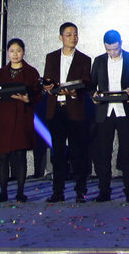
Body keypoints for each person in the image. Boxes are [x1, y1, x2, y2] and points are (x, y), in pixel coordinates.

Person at [41, 22, 93, 203]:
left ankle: (80, 191)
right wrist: (47, 87)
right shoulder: (51, 57)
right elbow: (47, 79)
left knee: (78, 152)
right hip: (56, 110)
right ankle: (58, 191)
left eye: (75, 34)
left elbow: (86, 83)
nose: (73, 38)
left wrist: (74, 91)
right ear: (61, 37)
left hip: (75, 109)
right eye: (69, 34)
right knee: (57, 153)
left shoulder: (84, 59)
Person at [90, 29, 129, 202]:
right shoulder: (98, 61)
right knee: (104, 152)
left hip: (124, 111)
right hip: (105, 111)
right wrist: (93, 95)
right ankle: (104, 191)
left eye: (115, 49)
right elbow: (91, 84)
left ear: (121, 43)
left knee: (127, 151)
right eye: (109, 50)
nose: (112, 53)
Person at [0, 38, 41, 202]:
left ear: (23, 52)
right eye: (12, 51)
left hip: (21, 118)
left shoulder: (31, 72)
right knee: (2, 156)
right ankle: (3, 192)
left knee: (20, 155)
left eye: (18, 51)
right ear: (7, 53)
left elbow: (38, 94)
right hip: (3, 119)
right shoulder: (0, 73)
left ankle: (20, 192)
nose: (15, 54)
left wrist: (28, 99)